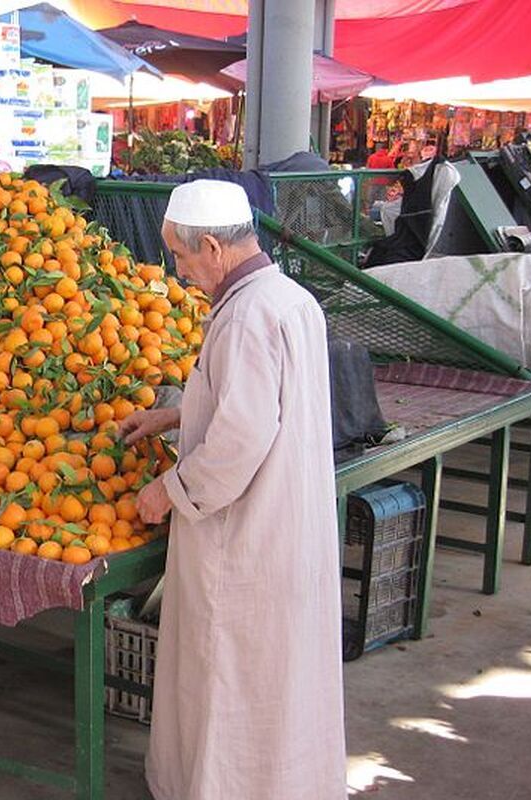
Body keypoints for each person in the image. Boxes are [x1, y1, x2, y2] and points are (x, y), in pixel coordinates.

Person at [121, 180, 345, 800]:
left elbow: (239, 440)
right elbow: (257, 401)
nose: (178, 270)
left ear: (214, 248)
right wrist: (174, 415)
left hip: (247, 535)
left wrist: (170, 490)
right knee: (279, 681)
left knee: (232, 678)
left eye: (180, 255)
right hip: (288, 526)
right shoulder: (288, 298)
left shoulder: (245, 317)